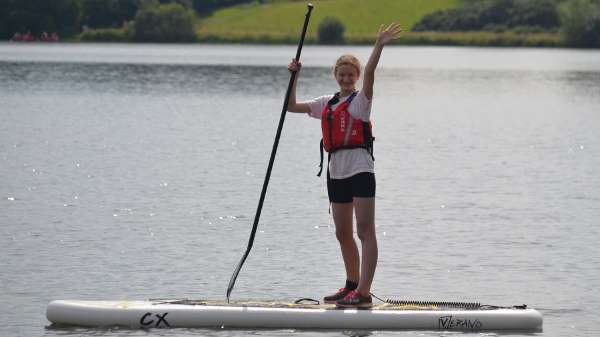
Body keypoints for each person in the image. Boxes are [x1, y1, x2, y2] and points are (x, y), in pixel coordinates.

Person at [287, 23, 402, 308]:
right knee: (342, 232)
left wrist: (379, 44)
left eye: (351, 75)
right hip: (335, 171)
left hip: (361, 169)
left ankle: (363, 293)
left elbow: (372, 72)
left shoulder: (361, 101)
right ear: (336, 76)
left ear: (357, 77)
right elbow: (290, 106)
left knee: (365, 230)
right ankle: (351, 285)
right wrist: (293, 76)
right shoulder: (325, 102)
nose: (346, 78)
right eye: (342, 74)